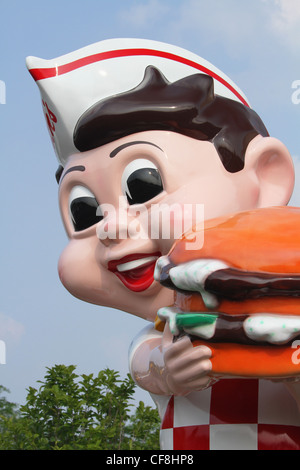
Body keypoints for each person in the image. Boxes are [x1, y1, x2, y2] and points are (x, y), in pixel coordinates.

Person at [27, 38, 300, 449]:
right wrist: (167, 370)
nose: (110, 228)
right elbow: (147, 364)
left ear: (264, 179)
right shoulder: (164, 335)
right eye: (85, 211)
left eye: (142, 185)